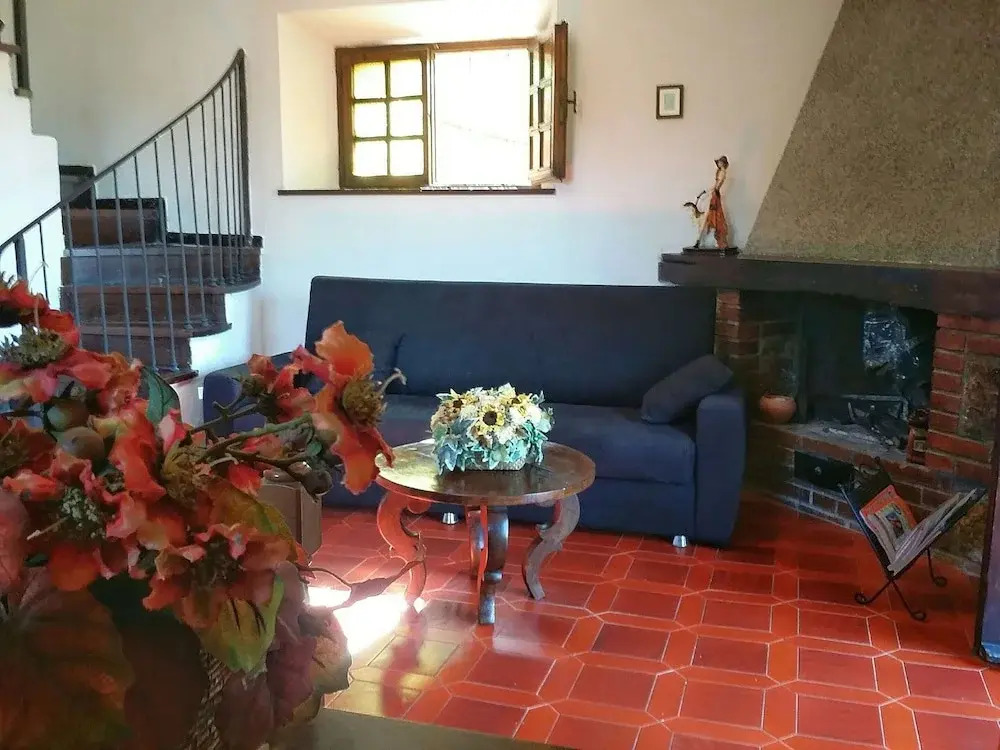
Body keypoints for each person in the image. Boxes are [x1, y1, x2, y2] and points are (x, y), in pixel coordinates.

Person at [695, 156, 730, 249]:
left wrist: (708, 191)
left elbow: (717, 186)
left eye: (720, 162)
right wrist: (707, 191)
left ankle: (701, 240)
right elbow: (716, 185)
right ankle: (700, 240)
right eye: (718, 162)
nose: (718, 164)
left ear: (723, 163)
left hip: (715, 196)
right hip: (714, 195)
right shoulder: (721, 173)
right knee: (711, 217)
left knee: (712, 217)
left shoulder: (722, 173)